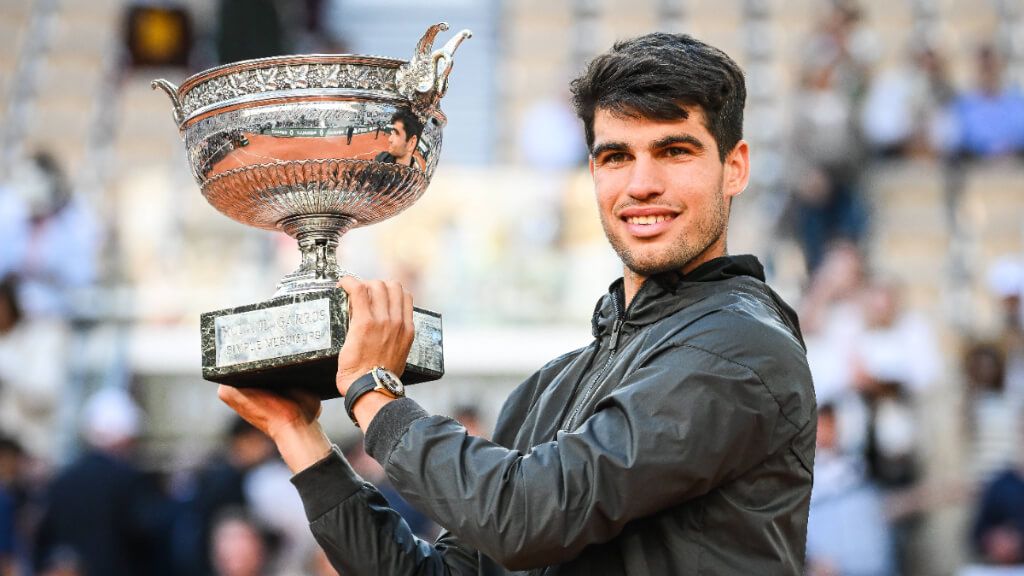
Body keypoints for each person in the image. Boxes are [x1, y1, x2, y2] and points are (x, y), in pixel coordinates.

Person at [219, 32, 816, 575]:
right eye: (617, 156)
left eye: (675, 151)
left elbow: (529, 516)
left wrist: (374, 394)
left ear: (734, 168)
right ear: (592, 172)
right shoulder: (553, 385)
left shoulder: (741, 346)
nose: (641, 185)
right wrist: (299, 435)